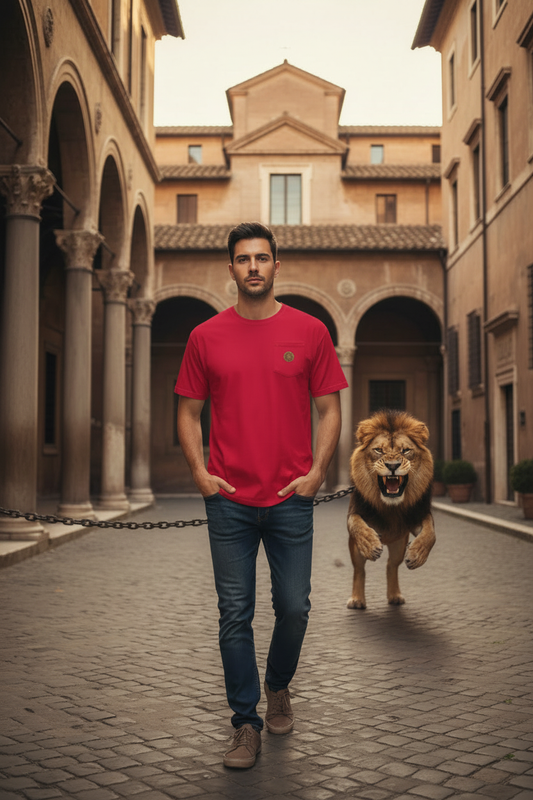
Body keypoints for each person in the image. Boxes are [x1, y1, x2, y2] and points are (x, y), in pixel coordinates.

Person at [175, 222, 348, 768]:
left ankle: (278, 684)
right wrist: (201, 473)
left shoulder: (311, 331)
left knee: (294, 608)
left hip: (291, 496)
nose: (253, 266)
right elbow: (187, 411)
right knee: (235, 614)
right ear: (230, 269)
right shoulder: (205, 336)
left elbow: (330, 409)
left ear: (277, 266)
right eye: (244, 259)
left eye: (262, 258)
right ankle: (245, 723)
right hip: (227, 498)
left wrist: (318, 470)